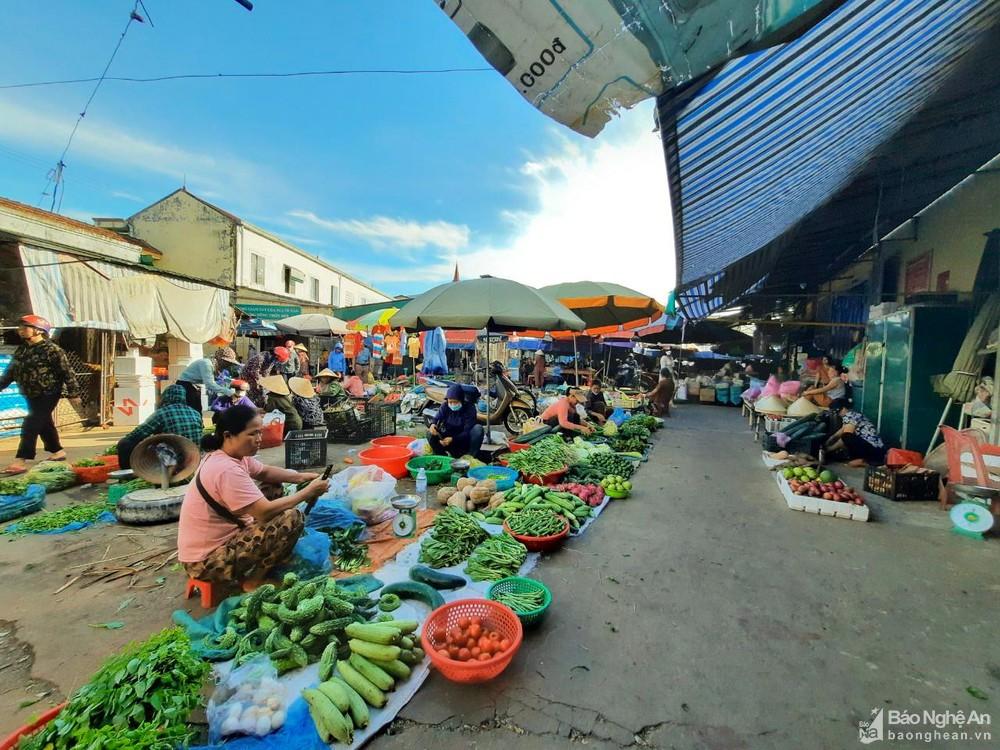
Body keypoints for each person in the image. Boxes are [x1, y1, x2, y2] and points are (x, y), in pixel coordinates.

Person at [177, 405, 329, 589]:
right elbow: (264, 513)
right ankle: (255, 580)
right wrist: (308, 491)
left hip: (222, 541)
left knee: (273, 486)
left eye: (260, 432)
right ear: (228, 436)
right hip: (207, 563)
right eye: (252, 434)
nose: (259, 439)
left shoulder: (233, 456)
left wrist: (302, 477)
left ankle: (265, 559)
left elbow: (265, 472)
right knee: (292, 518)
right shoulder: (225, 469)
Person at [0, 315, 81, 474]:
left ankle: (21, 460)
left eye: (26, 327)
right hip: (30, 393)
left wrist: (73, 393)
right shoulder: (23, 349)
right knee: (44, 423)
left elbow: (67, 372)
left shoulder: (53, 350)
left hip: (48, 392)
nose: (21, 331)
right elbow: (10, 372)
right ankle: (57, 451)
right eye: (20, 328)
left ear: (39, 330)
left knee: (31, 422)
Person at [117, 383, 204, 470]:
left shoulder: (161, 413)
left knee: (125, 444)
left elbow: (138, 434)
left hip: (172, 459)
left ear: (166, 396)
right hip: (194, 456)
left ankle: (129, 473)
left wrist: (126, 440)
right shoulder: (195, 413)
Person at [428, 383, 485, 458]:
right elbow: (437, 418)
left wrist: (453, 439)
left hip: (463, 440)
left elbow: (467, 431)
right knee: (429, 434)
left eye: (455, 402)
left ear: (461, 400)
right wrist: (433, 424)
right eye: (450, 402)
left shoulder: (470, 408)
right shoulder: (445, 406)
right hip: (446, 438)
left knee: (478, 429)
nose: (452, 404)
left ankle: (470, 456)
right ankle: (442, 455)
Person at [825, 398, 885, 466]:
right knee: (844, 437)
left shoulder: (850, 416)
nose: (837, 414)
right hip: (878, 450)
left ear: (843, 408)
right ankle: (860, 459)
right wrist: (831, 438)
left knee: (846, 437)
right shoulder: (853, 414)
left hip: (875, 451)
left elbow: (846, 437)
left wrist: (829, 449)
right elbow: (841, 430)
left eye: (837, 412)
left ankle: (864, 461)